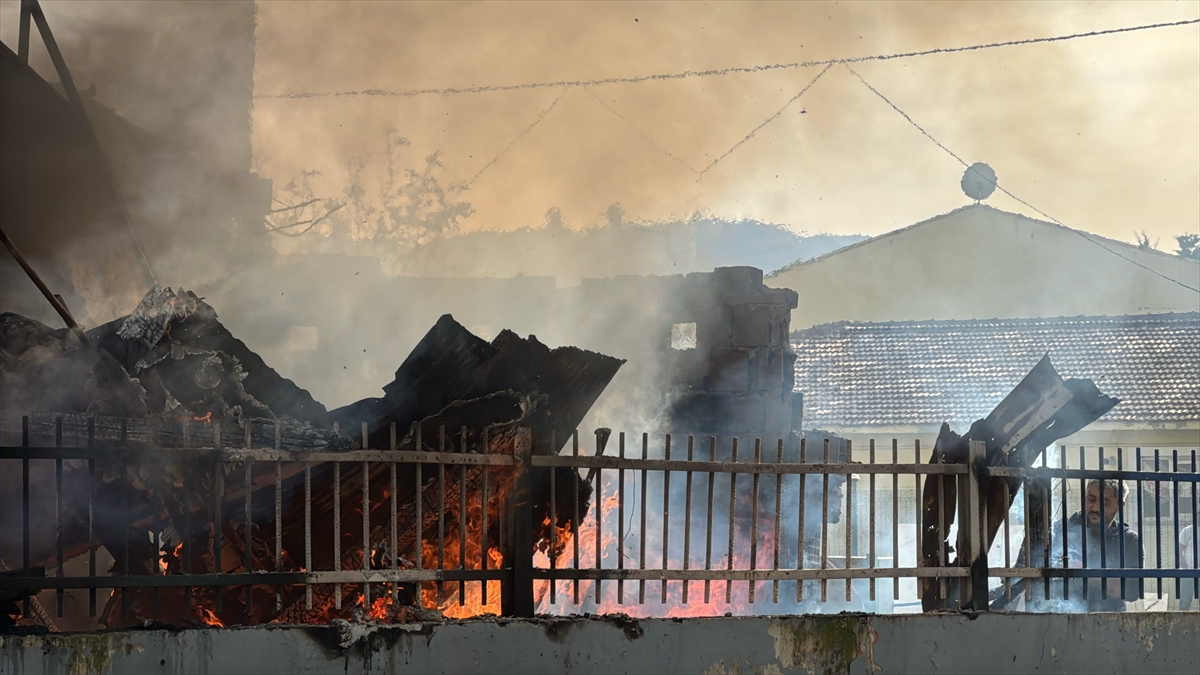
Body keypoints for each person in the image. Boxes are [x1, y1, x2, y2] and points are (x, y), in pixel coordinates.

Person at [1052, 479, 1143, 611]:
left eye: (1104, 503)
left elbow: (1132, 590)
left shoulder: (1128, 540)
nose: (1095, 508)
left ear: (1119, 507)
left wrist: (1084, 571)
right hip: (1062, 617)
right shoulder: (1061, 530)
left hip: (1109, 621)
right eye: (1091, 499)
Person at [1179, 524, 1197, 610]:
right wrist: (1184, 567)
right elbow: (1179, 550)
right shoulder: (1187, 530)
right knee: (1185, 603)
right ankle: (1181, 623)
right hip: (1188, 571)